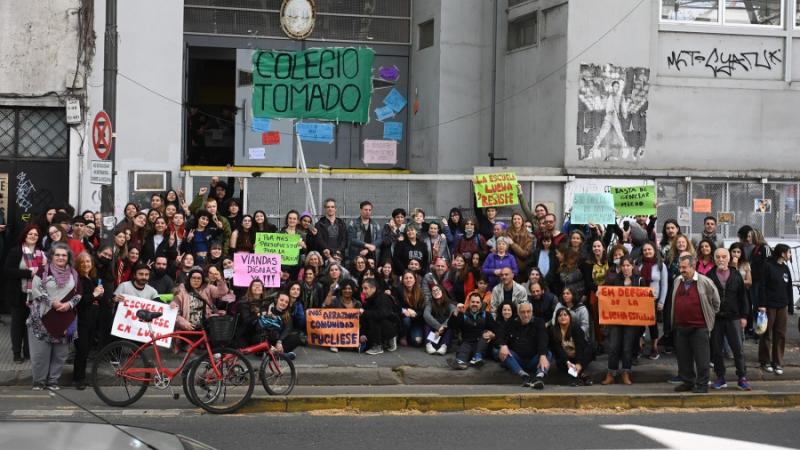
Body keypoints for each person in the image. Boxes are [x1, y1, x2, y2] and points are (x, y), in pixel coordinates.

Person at [27, 242, 82, 390]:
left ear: (68, 257)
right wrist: (52, 303)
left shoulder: (74, 273)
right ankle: (39, 382)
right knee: (40, 355)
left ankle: (53, 382)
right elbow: (36, 289)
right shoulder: (43, 271)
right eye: (57, 254)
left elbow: (79, 294)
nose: (60, 257)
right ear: (52, 256)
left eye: (64, 255)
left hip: (66, 319)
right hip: (42, 319)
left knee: (60, 355)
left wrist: (69, 304)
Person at [672, 253, 721, 394]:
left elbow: (716, 303)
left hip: (699, 327)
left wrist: (709, 316)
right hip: (681, 326)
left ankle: (702, 384)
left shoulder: (705, 281)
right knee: (683, 358)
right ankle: (688, 382)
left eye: (684, 267)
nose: (681, 270)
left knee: (702, 358)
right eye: (680, 267)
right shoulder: (678, 281)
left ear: (693, 266)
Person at [707, 248, 750, 390]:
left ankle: (742, 377)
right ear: (714, 259)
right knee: (717, 350)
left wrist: (744, 316)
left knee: (738, 349)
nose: (721, 259)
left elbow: (743, 297)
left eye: (723, 256)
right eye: (718, 257)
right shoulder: (709, 275)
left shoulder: (736, 275)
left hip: (734, 317)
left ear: (728, 258)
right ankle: (720, 377)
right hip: (716, 319)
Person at [4, 224, 47, 363]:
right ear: (25, 235)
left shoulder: (42, 253)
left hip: (36, 295)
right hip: (18, 294)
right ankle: (17, 353)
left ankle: (28, 351)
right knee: (17, 324)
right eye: (30, 234)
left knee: (32, 324)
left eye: (36, 235)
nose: (33, 236)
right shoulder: (16, 251)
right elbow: (8, 271)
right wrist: (29, 273)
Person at [602, 257, 645, 386]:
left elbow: (644, 302)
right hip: (616, 319)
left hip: (632, 320)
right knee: (614, 346)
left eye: (628, 265)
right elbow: (608, 297)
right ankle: (611, 374)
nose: (625, 268)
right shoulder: (615, 280)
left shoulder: (639, 280)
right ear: (620, 268)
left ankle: (626, 372)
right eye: (623, 266)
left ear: (633, 266)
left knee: (627, 347)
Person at [496, 302, 549, 389]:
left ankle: (539, 377)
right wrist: (503, 345)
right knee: (503, 352)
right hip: (517, 360)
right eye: (523, 312)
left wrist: (542, 355)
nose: (526, 315)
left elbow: (543, 339)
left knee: (547, 353)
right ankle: (524, 376)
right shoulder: (511, 322)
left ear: (532, 312)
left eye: (528, 312)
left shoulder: (539, 322)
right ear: (518, 313)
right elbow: (500, 334)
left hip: (534, 360)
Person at [758, 243, 792, 375]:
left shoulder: (785, 268)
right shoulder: (768, 265)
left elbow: (788, 287)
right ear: (782, 253)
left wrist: (789, 305)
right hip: (769, 306)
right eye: (788, 252)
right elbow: (762, 285)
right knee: (766, 333)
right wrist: (762, 304)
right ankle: (765, 361)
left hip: (782, 305)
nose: (789, 255)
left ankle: (778, 362)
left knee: (780, 334)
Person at [72, 252, 104, 390]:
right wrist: (94, 294)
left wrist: (99, 295)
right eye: (83, 262)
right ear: (78, 264)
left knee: (86, 350)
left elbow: (92, 299)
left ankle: (81, 378)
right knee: (82, 350)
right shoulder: (77, 279)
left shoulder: (90, 278)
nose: (86, 264)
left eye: (88, 262)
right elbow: (79, 301)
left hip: (90, 320)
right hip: (80, 321)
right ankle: (77, 379)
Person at [448, 291, 496, 369]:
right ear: (469, 303)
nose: (475, 304)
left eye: (477, 302)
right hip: (468, 343)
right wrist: (456, 312)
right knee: (464, 347)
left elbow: (495, 329)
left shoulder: (486, 315)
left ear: (481, 304)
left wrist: (492, 335)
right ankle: (461, 362)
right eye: (472, 302)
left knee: (485, 333)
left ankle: (477, 358)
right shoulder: (463, 314)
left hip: (482, 344)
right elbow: (451, 326)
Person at [172, 267, 228, 332]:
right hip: (187, 329)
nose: (196, 280)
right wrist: (185, 324)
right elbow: (174, 312)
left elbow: (223, 292)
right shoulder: (181, 291)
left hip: (205, 328)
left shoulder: (207, 288)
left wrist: (220, 280)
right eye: (194, 278)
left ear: (202, 280)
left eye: (199, 278)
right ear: (189, 279)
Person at [638, 241, 668, 360]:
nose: (647, 252)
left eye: (649, 249)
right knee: (639, 324)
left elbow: (664, 285)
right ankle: (640, 345)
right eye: (645, 250)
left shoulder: (661, 265)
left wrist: (662, 301)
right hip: (639, 299)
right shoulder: (638, 264)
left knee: (652, 324)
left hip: (653, 299)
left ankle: (654, 347)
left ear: (654, 250)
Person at [550, 306, 593, 386]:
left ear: (569, 317)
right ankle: (582, 377)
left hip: (578, 355)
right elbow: (558, 349)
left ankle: (576, 377)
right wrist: (567, 362)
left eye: (565, 315)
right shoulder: (554, 331)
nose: (563, 317)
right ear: (557, 319)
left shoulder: (576, 328)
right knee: (560, 362)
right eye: (560, 315)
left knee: (590, 349)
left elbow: (580, 346)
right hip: (565, 358)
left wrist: (578, 362)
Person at [360, 278, 399, 355]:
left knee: (374, 317)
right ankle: (382, 342)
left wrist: (365, 312)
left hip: (391, 326)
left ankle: (379, 345)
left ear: (373, 288)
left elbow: (381, 314)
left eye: (366, 288)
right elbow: (364, 319)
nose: (363, 291)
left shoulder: (383, 298)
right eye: (362, 289)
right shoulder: (368, 301)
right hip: (378, 328)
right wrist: (362, 334)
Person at [261, 292, 301, 358]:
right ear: (277, 300)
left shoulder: (287, 315)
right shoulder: (268, 310)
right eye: (281, 300)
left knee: (297, 338)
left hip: (278, 340)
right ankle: (281, 355)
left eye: (286, 302)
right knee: (258, 338)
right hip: (267, 339)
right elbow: (261, 328)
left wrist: (279, 342)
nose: (283, 303)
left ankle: (274, 355)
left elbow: (287, 329)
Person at [394, 270, 425, 347]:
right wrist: (405, 310)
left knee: (417, 342)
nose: (408, 280)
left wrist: (415, 313)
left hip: (416, 321)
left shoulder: (420, 292)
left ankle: (410, 335)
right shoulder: (398, 290)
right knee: (406, 319)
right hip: (404, 320)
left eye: (411, 278)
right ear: (403, 280)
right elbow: (395, 307)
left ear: (415, 280)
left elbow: (422, 310)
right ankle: (403, 335)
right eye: (406, 278)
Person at [423, 284, 456, 355]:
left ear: (442, 291)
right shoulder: (430, 303)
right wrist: (438, 327)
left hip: (444, 333)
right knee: (427, 324)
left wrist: (443, 327)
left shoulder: (450, 303)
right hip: (435, 334)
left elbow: (452, 315)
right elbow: (426, 315)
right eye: (433, 291)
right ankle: (428, 344)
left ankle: (444, 346)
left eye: (437, 289)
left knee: (451, 325)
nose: (435, 292)